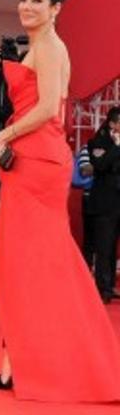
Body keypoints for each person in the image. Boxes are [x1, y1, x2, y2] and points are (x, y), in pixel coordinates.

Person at [0, 0, 120, 401]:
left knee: (30, 265)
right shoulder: (43, 45)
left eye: (37, 0)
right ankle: (16, 363)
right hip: (35, 159)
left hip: (36, 161)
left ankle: (56, 364)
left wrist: (4, 135)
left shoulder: (49, 46)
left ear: (55, 8)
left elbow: (48, 108)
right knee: (24, 266)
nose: (26, 6)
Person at [85, 107, 120, 304]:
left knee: (114, 247)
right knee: (104, 248)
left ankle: (110, 285)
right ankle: (102, 289)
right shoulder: (97, 142)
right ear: (113, 124)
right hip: (105, 203)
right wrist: (117, 147)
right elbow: (100, 165)